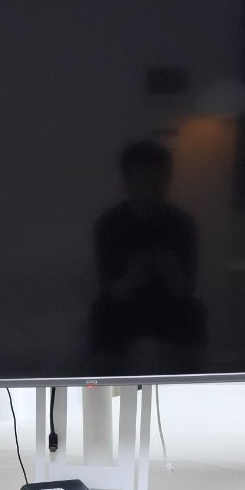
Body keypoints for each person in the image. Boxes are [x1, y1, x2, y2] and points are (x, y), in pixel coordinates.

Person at [91, 140, 205, 346]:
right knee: (104, 314)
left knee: (193, 312)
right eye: (141, 182)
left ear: (167, 182)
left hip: (169, 304)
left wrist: (171, 272)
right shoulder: (109, 224)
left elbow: (187, 289)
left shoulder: (182, 224)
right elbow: (111, 291)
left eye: (155, 183)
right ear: (126, 183)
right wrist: (132, 278)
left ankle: (189, 366)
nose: (149, 191)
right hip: (123, 307)